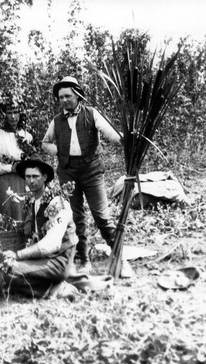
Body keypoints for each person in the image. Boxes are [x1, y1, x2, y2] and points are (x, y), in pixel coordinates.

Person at [0, 155, 113, 298]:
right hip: (46, 258)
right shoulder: (34, 201)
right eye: (28, 177)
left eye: (35, 176)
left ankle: (59, 289)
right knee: (5, 270)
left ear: (45, 177)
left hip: (59, 260)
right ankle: (66, 283)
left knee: (10, 272)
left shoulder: (57, 202)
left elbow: (51, 244)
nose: (31, 181)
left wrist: (18, 255)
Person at [42, 76, 122, 271]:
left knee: (102, 216)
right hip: (68, 173)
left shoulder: (92, 114)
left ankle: (119, 256)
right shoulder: (56, 121)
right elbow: (45, 143)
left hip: (92, 171)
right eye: (60, 97)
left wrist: (124, 137)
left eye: (67, 96)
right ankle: (82, 258)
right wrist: (60, 152)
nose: (63, 100)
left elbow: (111, 135)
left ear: (78, 95)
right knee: (75, 216)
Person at [0, 91, 34, 221]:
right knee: (6, 217)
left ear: (20, 113)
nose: (13, 117)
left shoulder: (26, 136)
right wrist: (9, 168)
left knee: (25, 215)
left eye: (16, 112)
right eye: (9, 113)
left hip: (23, 180)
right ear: (4, 114)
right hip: (5, 181)